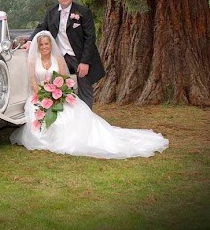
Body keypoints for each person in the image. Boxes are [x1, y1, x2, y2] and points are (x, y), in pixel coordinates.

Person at [10, 31, 169, 158]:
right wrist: (44, 96)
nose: (45, 47)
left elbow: (64, 79)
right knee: (36, 113)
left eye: (47, 44)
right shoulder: (33, 61)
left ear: (51, 45)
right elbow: (32, 81)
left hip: (58, 94)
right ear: (37, 46)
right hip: (41, 95)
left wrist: (56, 95)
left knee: (67, 118)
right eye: (41, 44)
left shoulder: (57, 59)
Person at [24, 0, 104, 109]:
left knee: (85, 89)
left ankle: (87, 119)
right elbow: (42, 27)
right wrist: (30, 41)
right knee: (59, 88)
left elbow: (90, 38)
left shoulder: (83, 12)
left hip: (79, 56)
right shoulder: (51, 11)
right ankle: (63, 118)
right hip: (60, 56)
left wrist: (85, 62)